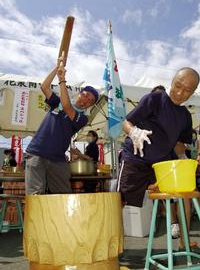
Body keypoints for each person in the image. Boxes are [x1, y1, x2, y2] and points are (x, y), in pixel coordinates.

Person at [117, 67, 199, 207]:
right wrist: (133, 132)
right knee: (123, 201)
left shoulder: (185, 115)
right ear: (172, 81)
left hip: (161, 165)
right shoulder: (154, 99)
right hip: (135, 160)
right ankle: (117, 229)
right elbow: (125, 122)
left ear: (192, 92)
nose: (179, 93)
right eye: (178, 85)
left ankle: (174, 227)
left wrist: (182, 158)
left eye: (187, 91)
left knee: (170, 200)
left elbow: (179, 143)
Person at [25, 59, 99, 195]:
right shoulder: (57, 103)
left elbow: (66, 106)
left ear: (90, 106)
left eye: (91, 101)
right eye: (86, 95)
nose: (86, 100)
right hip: (37, 152)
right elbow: (45, 86)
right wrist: (57, 67)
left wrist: (62, 79)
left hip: (58, 159)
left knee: (64, 196)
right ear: (79, 93)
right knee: (35, 196)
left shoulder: (82, 118)